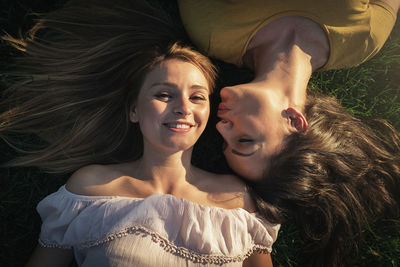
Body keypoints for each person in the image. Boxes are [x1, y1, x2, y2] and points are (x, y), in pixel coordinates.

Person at [0, 1, 280, 266]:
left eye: (197, 97)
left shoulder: (236, 199)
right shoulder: (91, 190)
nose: (183, 108)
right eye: (164, 94)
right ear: (134, 110)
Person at [177, 0, 400, 265]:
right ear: (295, 121)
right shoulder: (364, 37)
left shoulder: (212, 29)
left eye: (225, 143)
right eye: (244, 140)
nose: (220, 127)